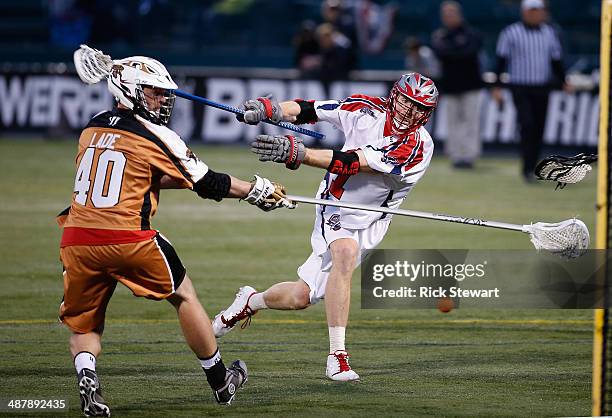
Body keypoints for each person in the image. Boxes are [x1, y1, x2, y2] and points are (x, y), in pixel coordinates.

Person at [58, 55, 293, 416]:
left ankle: (87, 375)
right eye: (153, 92)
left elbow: (137, 176)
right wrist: (255, 190)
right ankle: (221, 383)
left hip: (76, 240)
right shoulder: (155, 133)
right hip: (128, 239)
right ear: (130, 89)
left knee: (85, 325)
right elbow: (207, 182)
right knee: (184, 296)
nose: (163, 99)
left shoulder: (92, 127)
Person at [213, 73, 439, 381]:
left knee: (301, 297)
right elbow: (309, 109)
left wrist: (299, 154)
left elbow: (350, 162)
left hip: (373, 220)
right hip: (336, 204)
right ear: (393, 96)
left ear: (426, 115)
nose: (407, 112)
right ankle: (337, 357)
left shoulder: (418, 147)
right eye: (404, 102)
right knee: (345, 254)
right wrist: (270, 109)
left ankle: (250, 301)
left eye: (417, 108)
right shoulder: (364, 109)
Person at [492, 0, 569, 181]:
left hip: (542, 87)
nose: (537, 14)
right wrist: (496, 86)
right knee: (527, 125)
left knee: (539, 128)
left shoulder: (549, 32)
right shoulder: (510, 32)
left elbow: (555, 60)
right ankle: (526, 167)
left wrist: (564, 81)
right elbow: (500, 62)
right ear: (525, 12)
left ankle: (534, 165)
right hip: (521, 86)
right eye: (533, 10)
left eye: (540, 11)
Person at [431, 0, 483, 169]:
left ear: (459, 14)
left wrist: (452, 52)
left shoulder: (471, 33)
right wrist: (456, 51)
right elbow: (440, 51)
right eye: (446, 14)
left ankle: (469, 156)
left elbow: (470, 51)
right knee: (453, 121)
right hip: (451, 85)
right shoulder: (440, 35)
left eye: (452, 13)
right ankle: (456, 155)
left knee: (470, 120)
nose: (449, 17)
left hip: (471, 84)